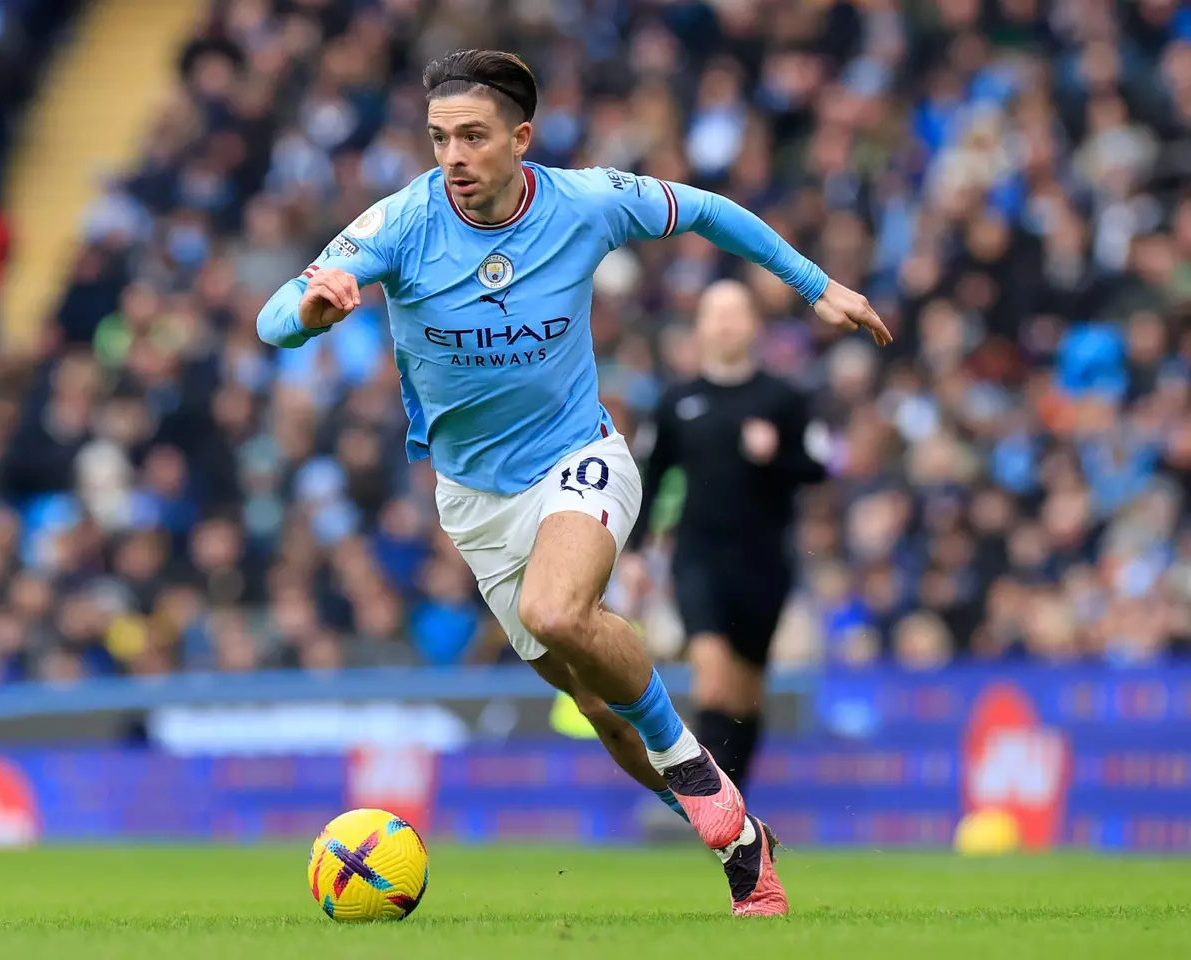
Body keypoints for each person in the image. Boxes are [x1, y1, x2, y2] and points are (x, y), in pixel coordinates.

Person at [256, 49, 890, 917]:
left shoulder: (587, 202)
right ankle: (742, 839)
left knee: (561, 610)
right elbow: (273, 318)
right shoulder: (399, 224)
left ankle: (706, 785)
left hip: (578, 458)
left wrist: (816, 286)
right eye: (440, 138)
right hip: (474, 503)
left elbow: (704, 210)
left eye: (473, 137)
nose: (453, 156)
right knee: (599, 707)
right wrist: (311, 311)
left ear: (521, 138)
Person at [625, 279, 828, 795]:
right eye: (715, 313)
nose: (725, 323)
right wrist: (634, 549)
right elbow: (653, 475)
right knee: (711, 679)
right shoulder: (679, 400)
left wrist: (775, 455)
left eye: (736, 312)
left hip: (764, 563)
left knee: (744, 694)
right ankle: (706, 807)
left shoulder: (783, 397)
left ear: (754, 324)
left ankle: (735, 804)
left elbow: (816, 468)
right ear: (700, 327)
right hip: (699, 556)